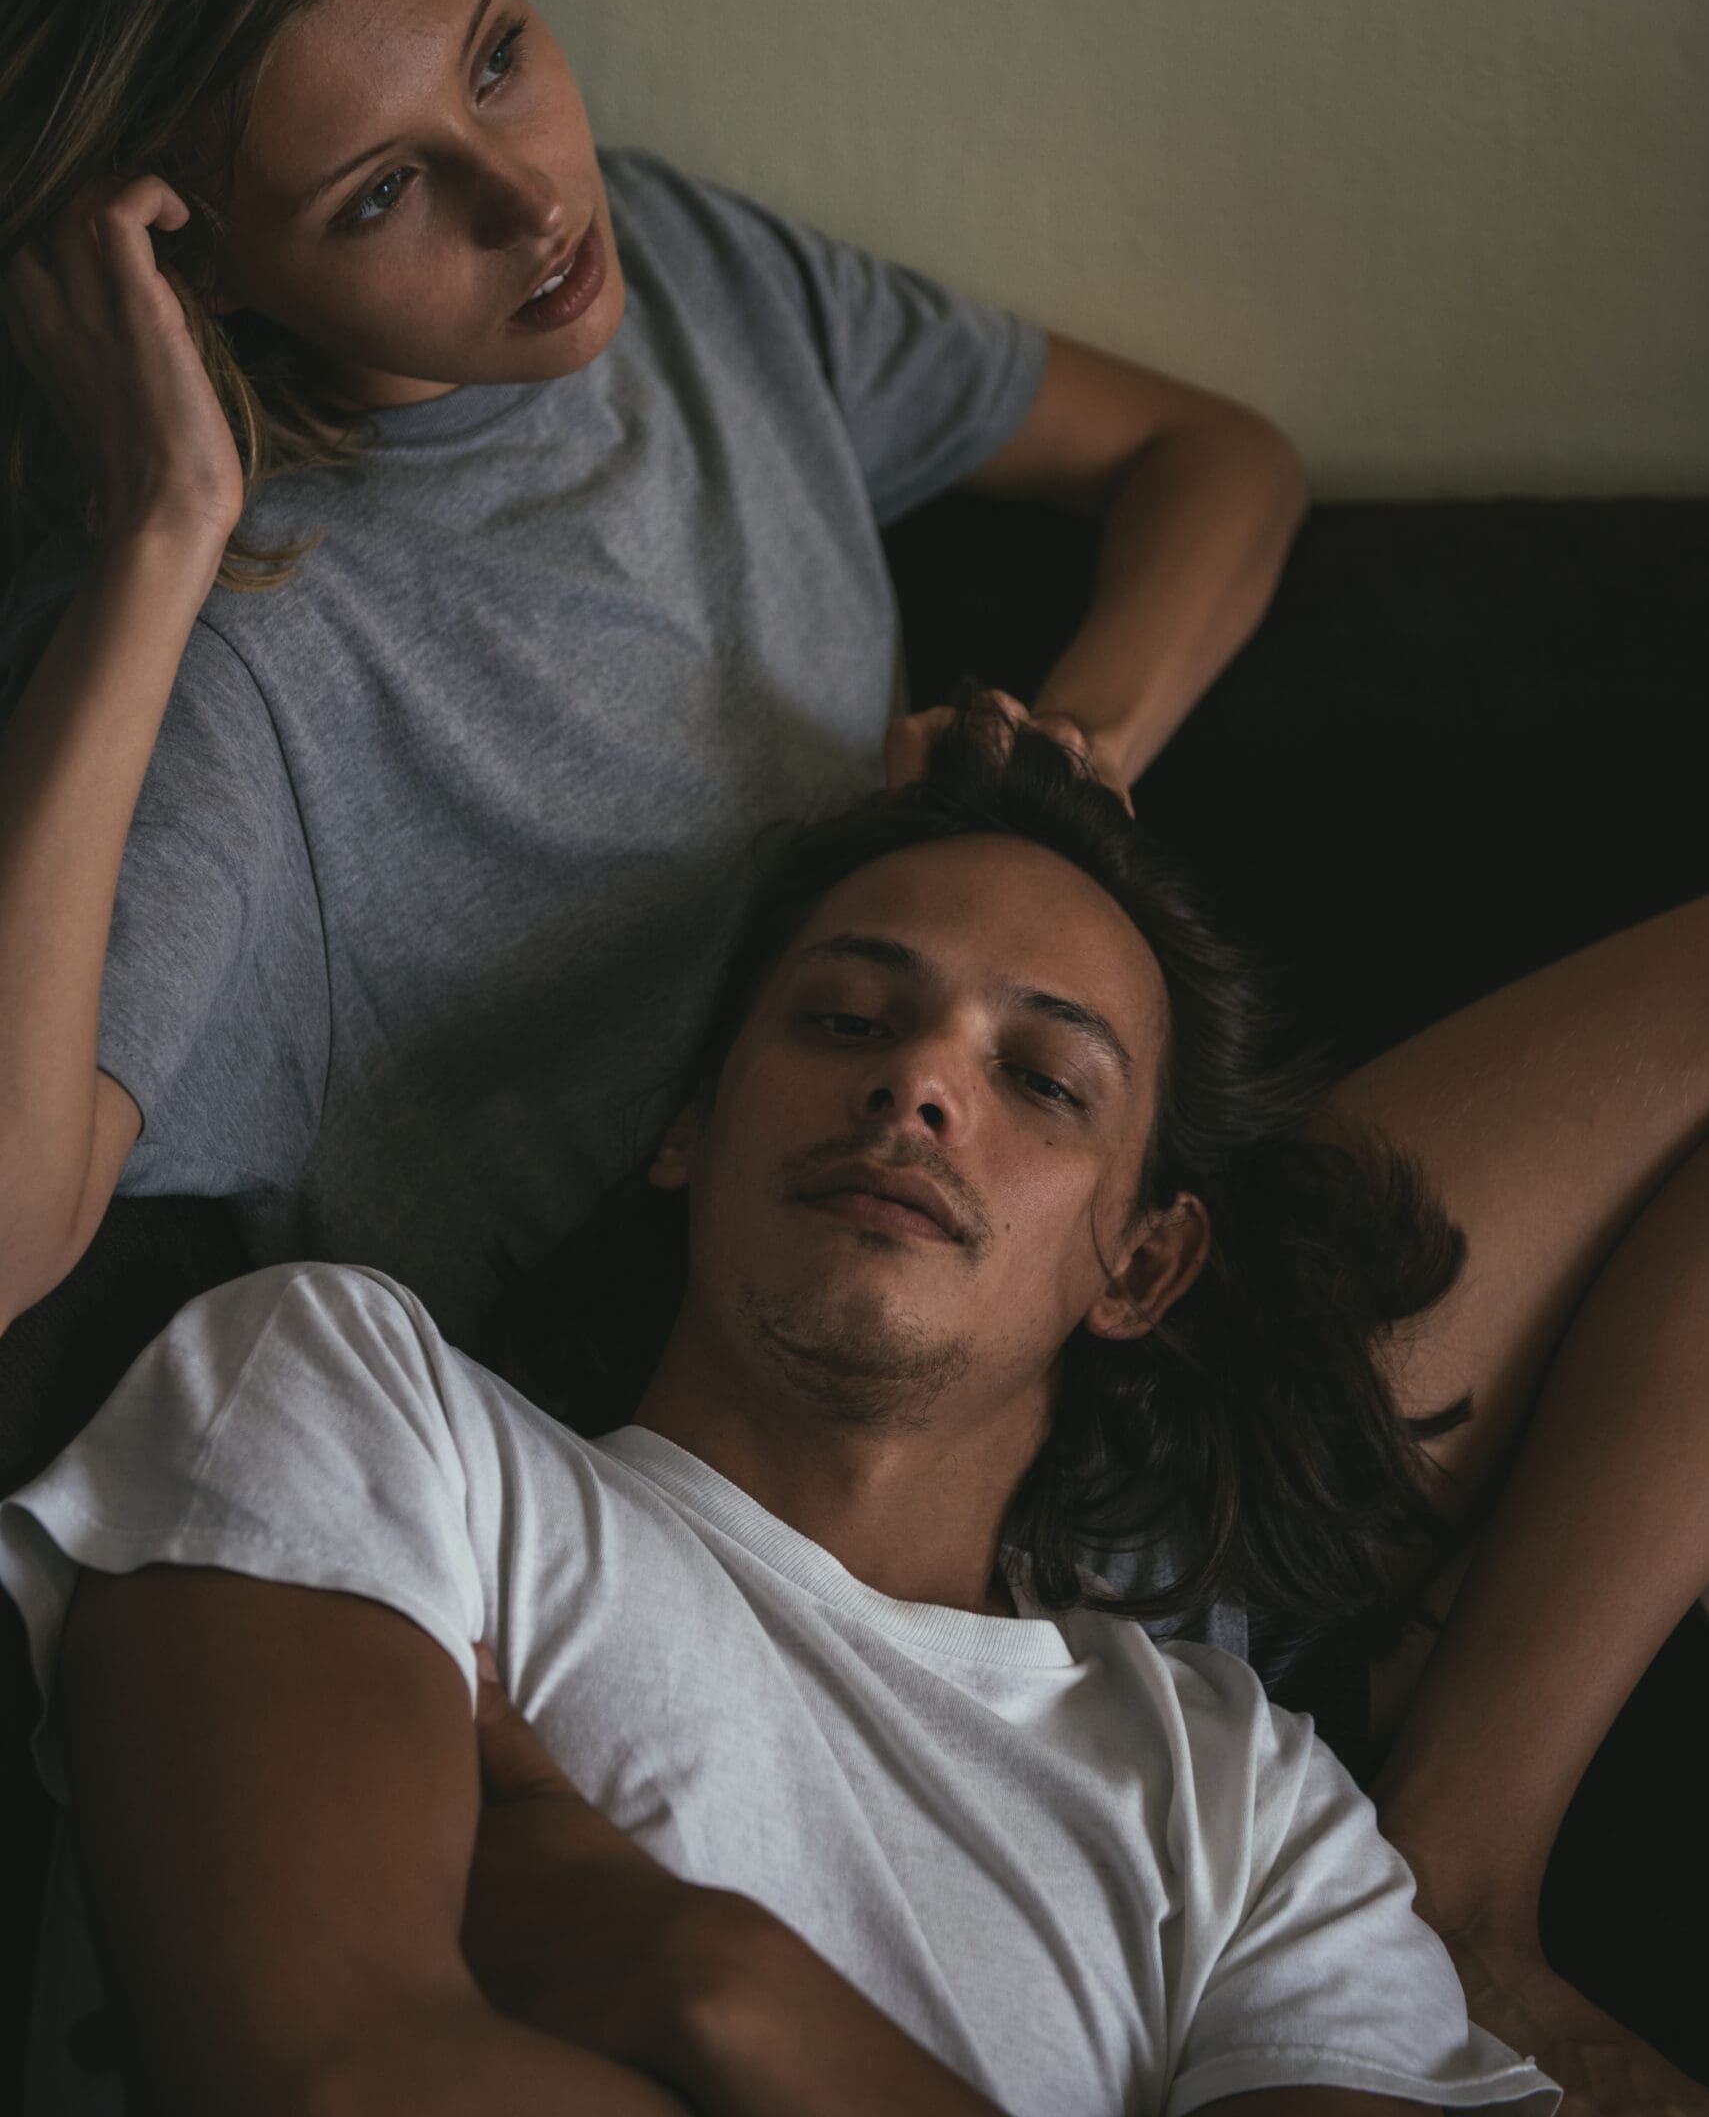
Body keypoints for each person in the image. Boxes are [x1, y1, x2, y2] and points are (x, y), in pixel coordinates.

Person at [0, 715, 1560, 2117]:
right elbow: (342, 2085)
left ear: (1141, 1266)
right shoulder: (354, 1404)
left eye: (1040, 1078)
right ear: (689, 1125)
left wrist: (733, 1995)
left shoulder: (1243, 1805)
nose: (918, 1088)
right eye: (843, 1021)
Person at [0, 0, 1307, 1340]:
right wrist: (162, 527)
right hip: (752, 1412)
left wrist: (1072, 764)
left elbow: (1218, 457)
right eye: (380, 194)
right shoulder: (228, 651)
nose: (533, 201)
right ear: (178, 268)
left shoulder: (684, 268)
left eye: (495, 57)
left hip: (1080, 1297)